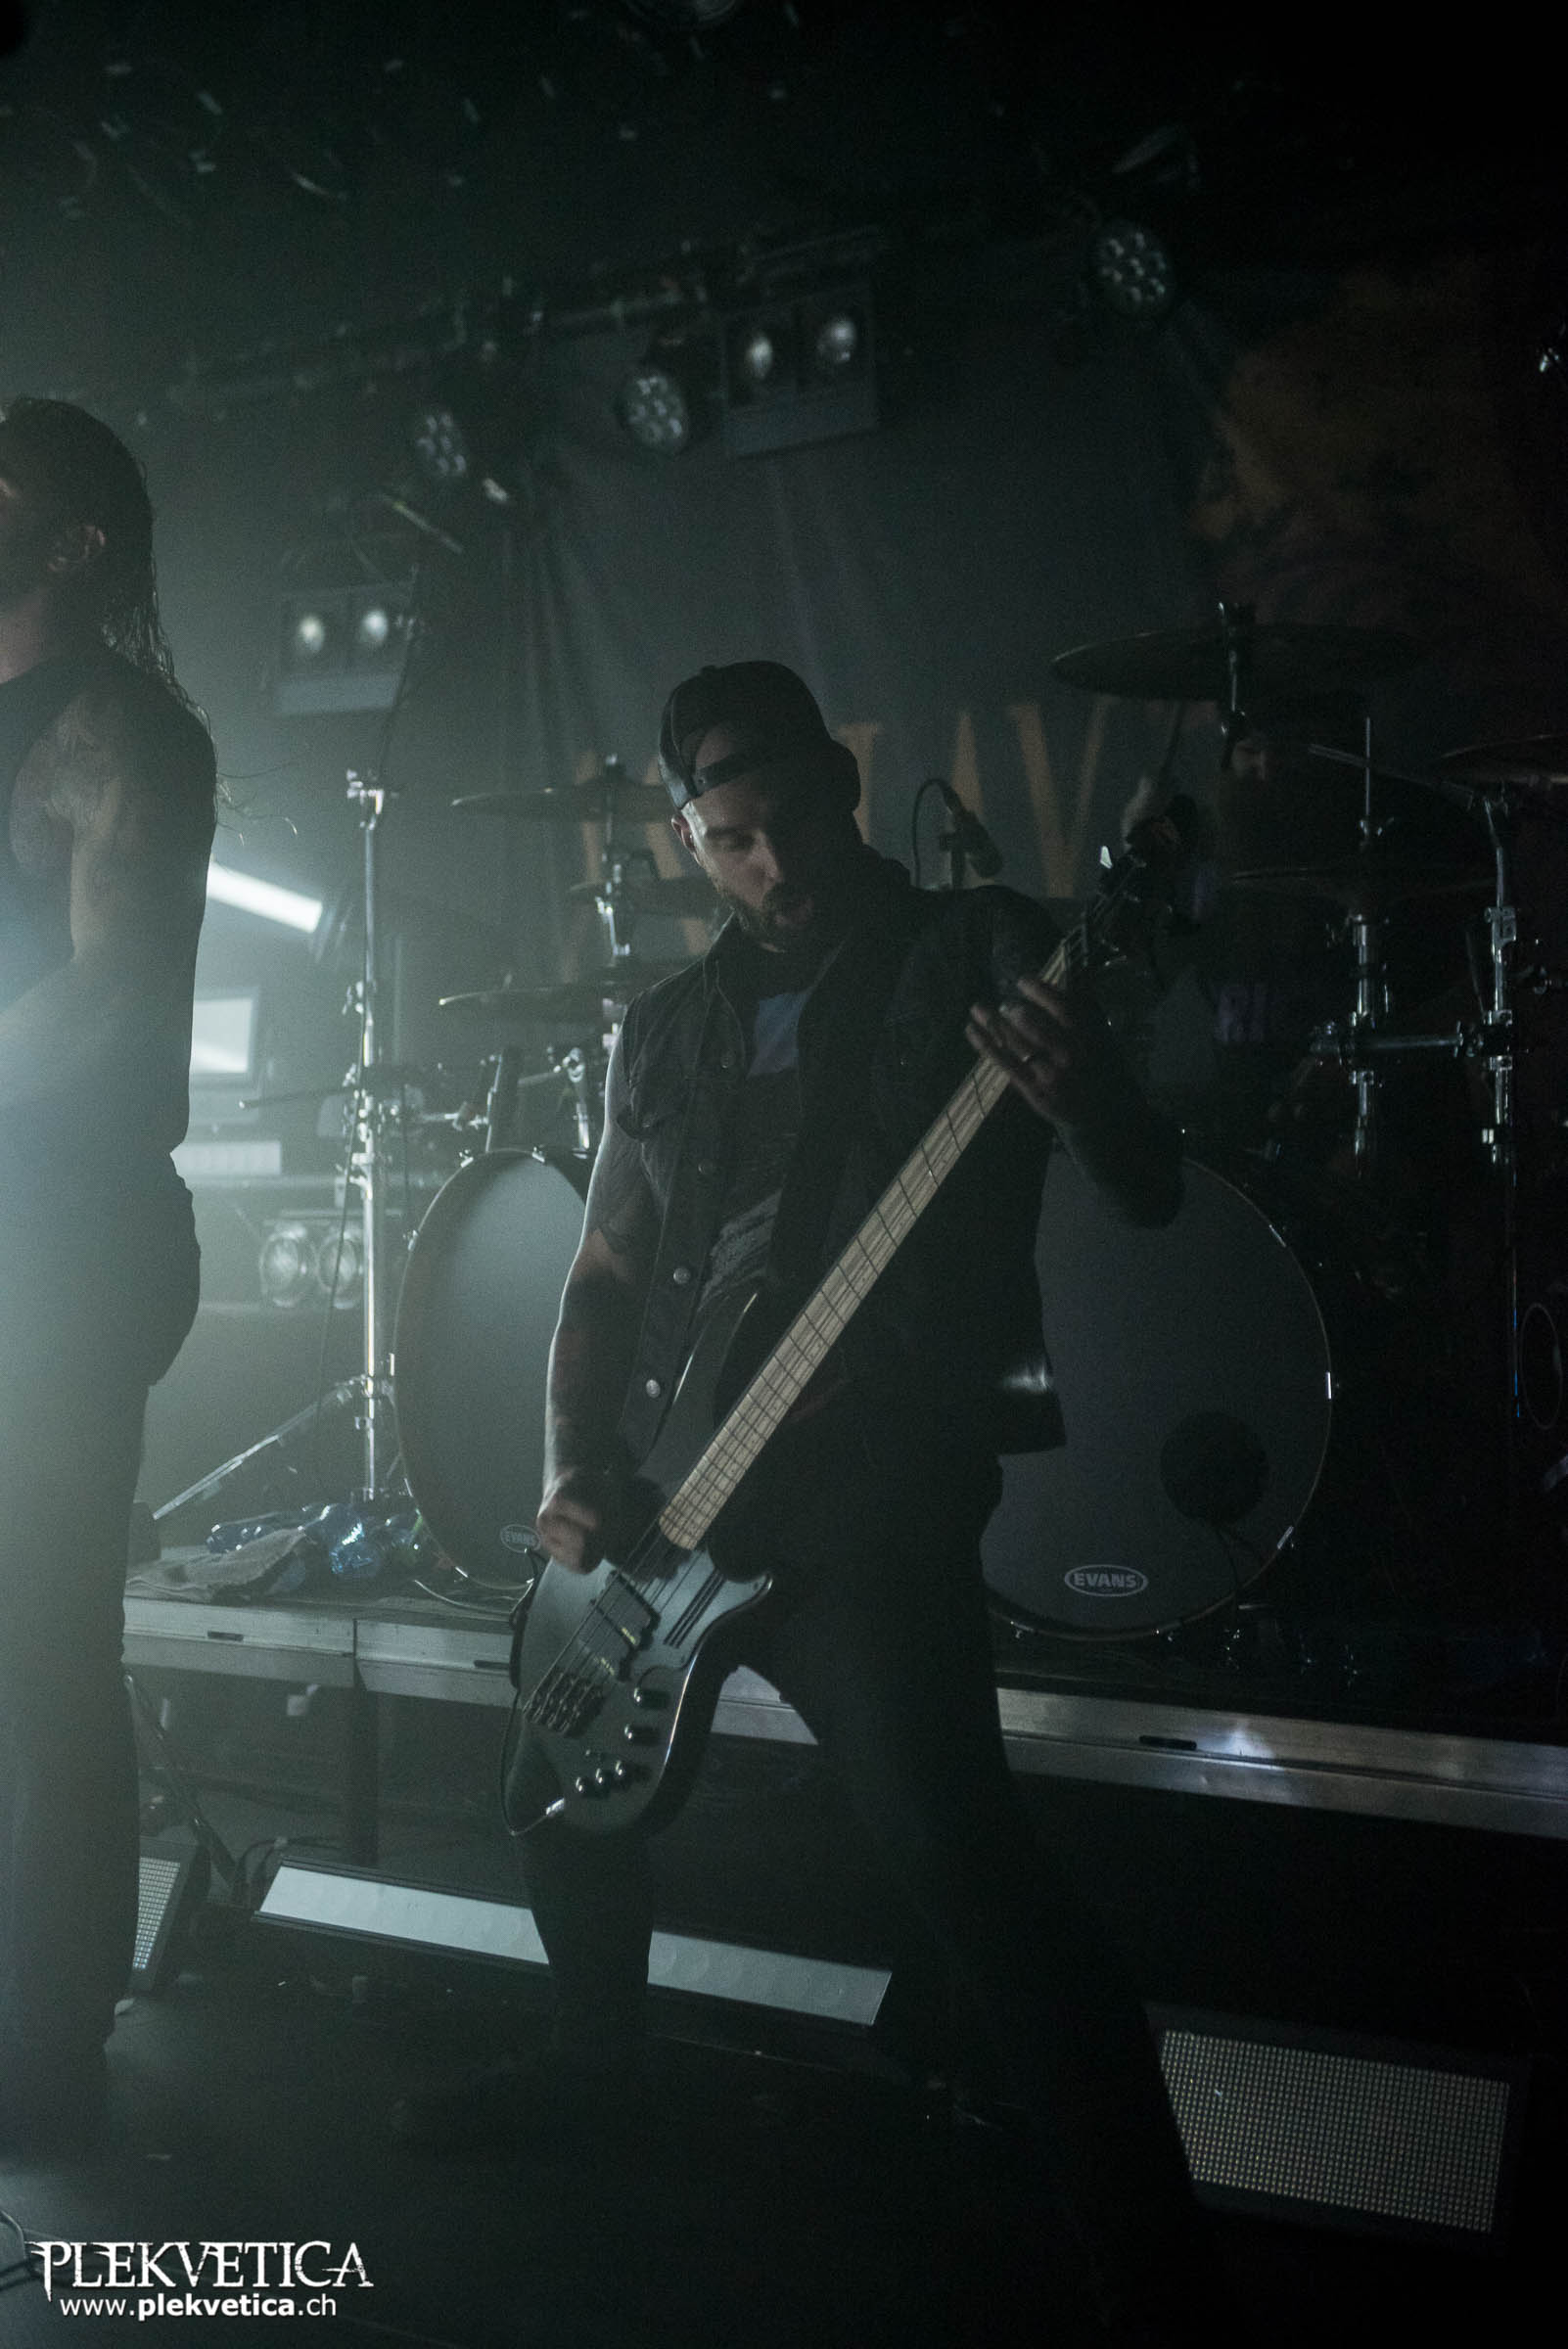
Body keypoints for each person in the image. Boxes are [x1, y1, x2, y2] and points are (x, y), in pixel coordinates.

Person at [399, 662, 1217, 2343]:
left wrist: (1086, 1096)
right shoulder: (667, 1026)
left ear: (843, 786)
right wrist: (569, 1462)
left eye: (787, 822)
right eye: (730, 840)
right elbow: (606, 1268)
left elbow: (1143, 1188)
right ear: (688, 840)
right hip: (679, 1475)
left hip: (873, 1493)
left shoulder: (979, 945)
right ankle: (594, 2070)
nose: (769, 866)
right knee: (556, 1766)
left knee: (966, 1866)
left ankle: (1151, 2255)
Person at [0, 398, 215, 2149]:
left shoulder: (116, 728)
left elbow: (111, 989)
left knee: (36, 1654)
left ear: (71, 542)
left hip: (59, 1246)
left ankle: (43, 2051)